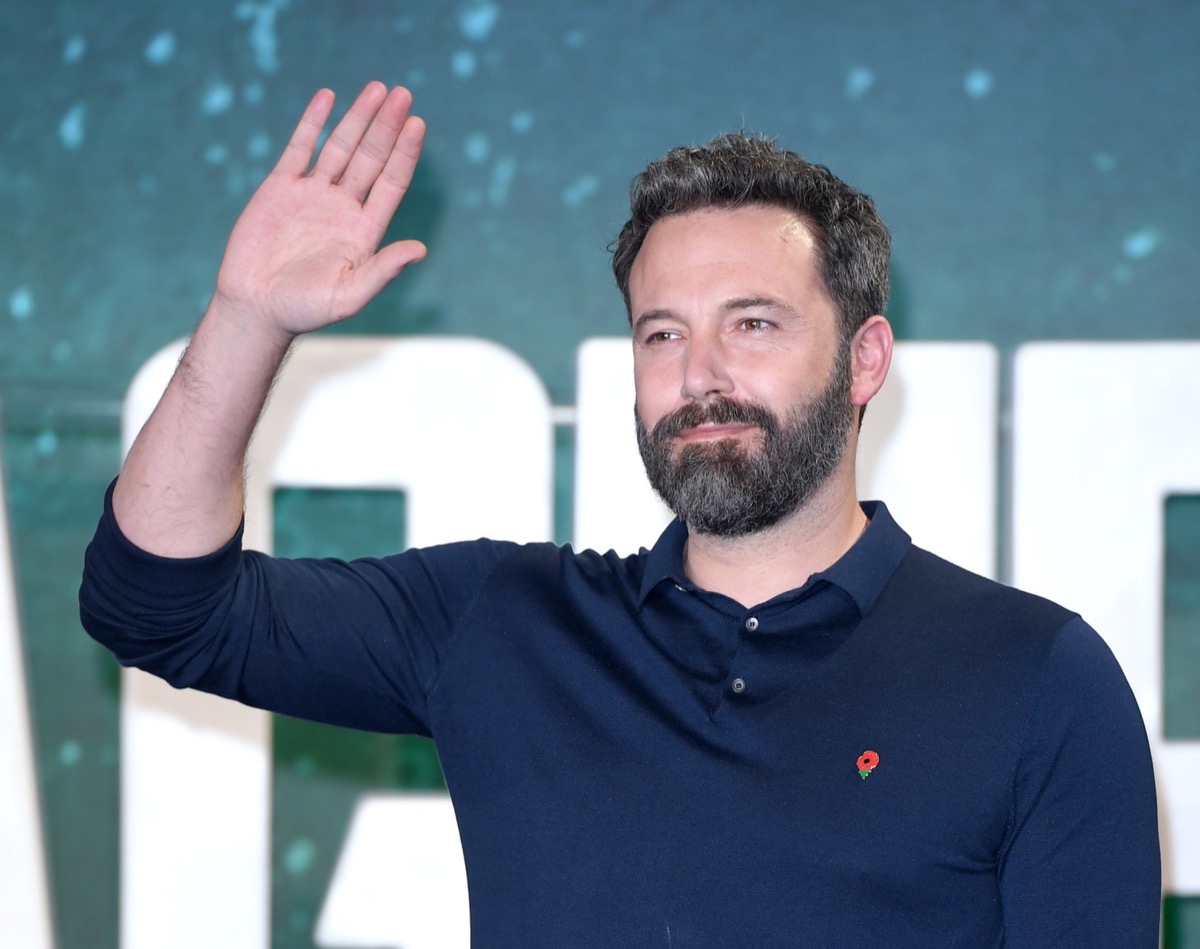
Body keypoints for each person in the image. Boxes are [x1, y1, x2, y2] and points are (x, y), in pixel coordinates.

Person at [79, 81, 1160, 946]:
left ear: (864, 357)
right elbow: (156, 603)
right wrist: (246, 319)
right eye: (662, 334)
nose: (701, 374)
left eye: (754, 324)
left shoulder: (1037, 678)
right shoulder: (503, 624)